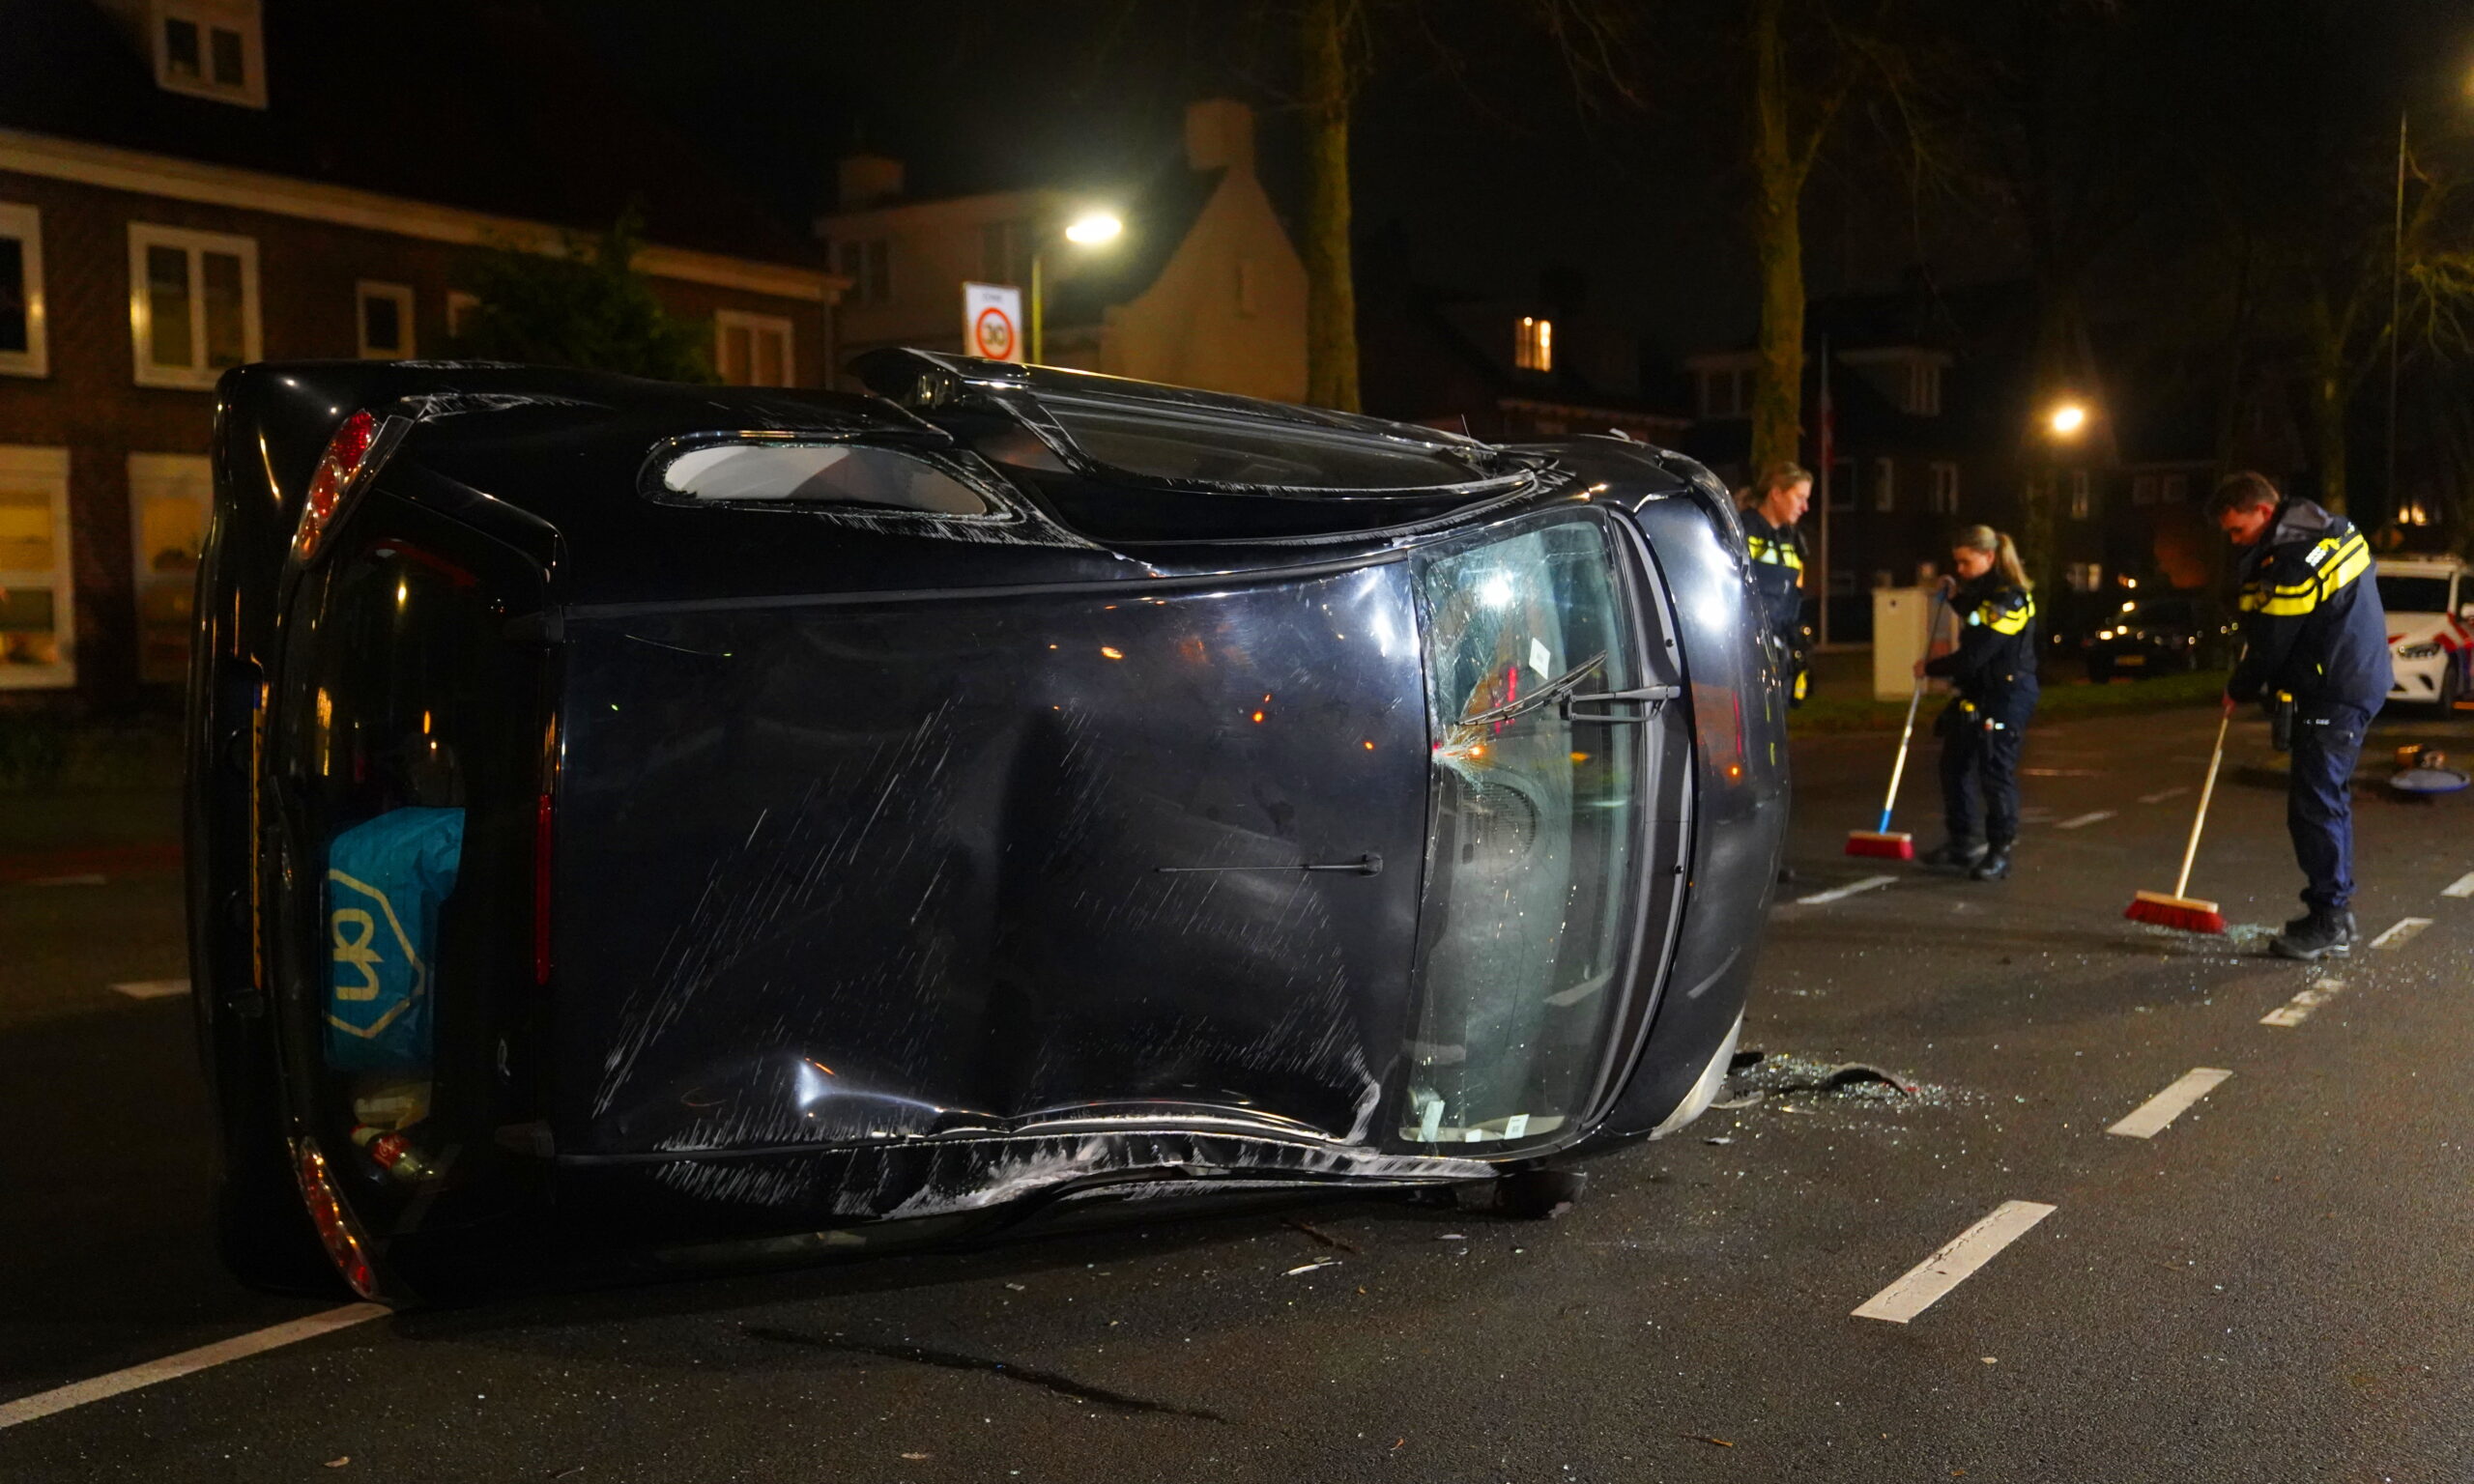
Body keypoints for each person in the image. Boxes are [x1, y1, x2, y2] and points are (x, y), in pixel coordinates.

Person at [2213, 471, 2390, 958]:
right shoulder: (2325, 530)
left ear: (2264, 513)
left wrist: (2239, 687)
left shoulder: (2293, 558)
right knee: (2323, 798)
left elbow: (2272, 638)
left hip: (2335, 686)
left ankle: (2329, 918)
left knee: (2315, 803)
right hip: (2345, 678)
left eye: (2237, 530)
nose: (2234, 541)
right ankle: (2335, 913)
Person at [1917, 526, 2039, 880]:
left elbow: (1976, 654)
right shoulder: (1985, 594)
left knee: (1994, 772)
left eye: (1966, 563)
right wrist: (1954, 596)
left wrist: (1931, 668)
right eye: (1957, 563)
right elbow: (1974, 615)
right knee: (1953, 765)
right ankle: (1960, 843)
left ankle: (1999, 852)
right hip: (1976, 693)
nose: (1960, 569)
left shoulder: (2010, 600)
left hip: (2006, 695)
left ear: (1989, 557)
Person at [1738, 463, 1812, 706]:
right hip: (1746, 652)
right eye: (1799, 497)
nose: (1805, 507)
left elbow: (1793, 595)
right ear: (1776, 493)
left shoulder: (1793, 540)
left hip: (1779, 652)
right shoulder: (1742, 531)